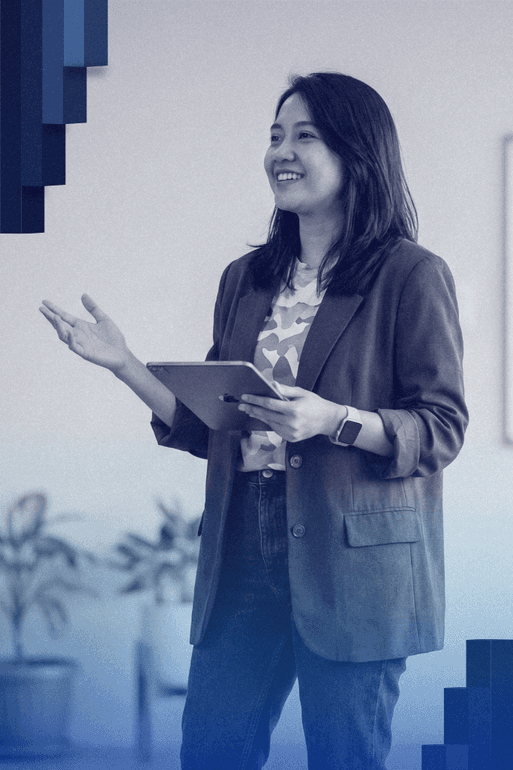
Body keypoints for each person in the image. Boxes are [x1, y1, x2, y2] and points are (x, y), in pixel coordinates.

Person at [40, 72, 468, 770]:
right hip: (242, 543)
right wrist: (125, 365)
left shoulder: (410, 275)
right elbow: (214, 426)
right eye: (274, 136)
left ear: (358, 154)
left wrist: (334, 420)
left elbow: (441, 426)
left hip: (351, 560)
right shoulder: (246, 280)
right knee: (211, 752)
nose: (281, 152)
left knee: (344, 757)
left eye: (304, 136)